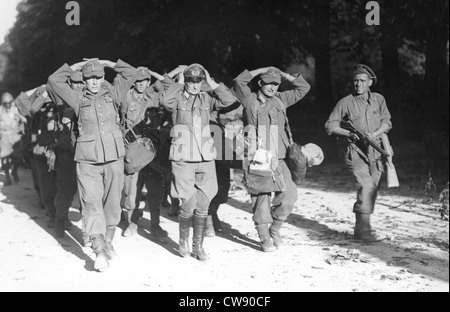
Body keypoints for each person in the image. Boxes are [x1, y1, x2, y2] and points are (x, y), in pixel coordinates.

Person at [48, 58, 137, 272]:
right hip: (87, 159)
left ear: (104, 77)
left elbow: (132, 73)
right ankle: (98, 250)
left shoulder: (113, 93)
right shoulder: (77, 98)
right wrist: (77, 67)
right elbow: (53, 80)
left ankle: (107, 242)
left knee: (113, 202)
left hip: (114, 157)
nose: (94, 81)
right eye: (89, 78)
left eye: (98, 76)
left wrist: (109, 62)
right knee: (91, 202)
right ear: (84, 80)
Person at [160, 63, 238, 261]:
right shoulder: (177, 97)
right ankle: (183, 242)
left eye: (198, 80)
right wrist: (178, 83)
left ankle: (198, 246)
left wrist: (211, 81)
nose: (194, 85)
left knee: (204, 201)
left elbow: (230, 100)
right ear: (185, 81)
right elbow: (165, 100)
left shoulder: (207, 98)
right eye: (190, 80)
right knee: (187, 202)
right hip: (183, 156)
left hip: (205, 156)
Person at [233, 66, 311, 252]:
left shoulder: (281, 99)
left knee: (289, 195)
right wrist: (263, 69)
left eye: (276, 84)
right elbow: (238, 81)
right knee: (261, 197)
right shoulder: (249, 98)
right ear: (260, 83)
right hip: (258, 154)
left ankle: (275, 228)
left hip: (280, 155)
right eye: (268, 83)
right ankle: (264, 236)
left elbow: (303, 88)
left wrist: (285, 76)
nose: (272, 87)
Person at [325, 64, 392, 244]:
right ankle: (364, 231)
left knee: (372, 190)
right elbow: (330, 126)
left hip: (376, 152)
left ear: (370, 82)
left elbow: (387, 122)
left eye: (362, 81)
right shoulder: (345, 102)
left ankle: (360, 227)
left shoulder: (379, 100)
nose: (358, 84)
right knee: (367, 187)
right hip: (355, 152)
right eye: (355, 81)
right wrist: (349, 134)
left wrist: (375, 134)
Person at [119, 66, 177, 238]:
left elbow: (171, 89)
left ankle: (155, 225)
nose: (141, 84)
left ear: (149, 82)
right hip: (132, 150)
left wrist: (165, 73)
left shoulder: (155, 96)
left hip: (152, 151)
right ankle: (132, 222)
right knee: (132, 191)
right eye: (138, 81)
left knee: (155, 190)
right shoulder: (126, 97)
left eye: (145, 81)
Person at [0, 92, 27, 186]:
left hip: (15, 136)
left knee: (19, 156)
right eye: (5, 103)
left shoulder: (15, 109)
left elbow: (24, 120)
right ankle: (7, 176)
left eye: (9, 103)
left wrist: (19, 116)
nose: (7, 105)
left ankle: (14, 170)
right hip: (4, 137)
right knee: (4, 158)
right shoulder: (0, 111)